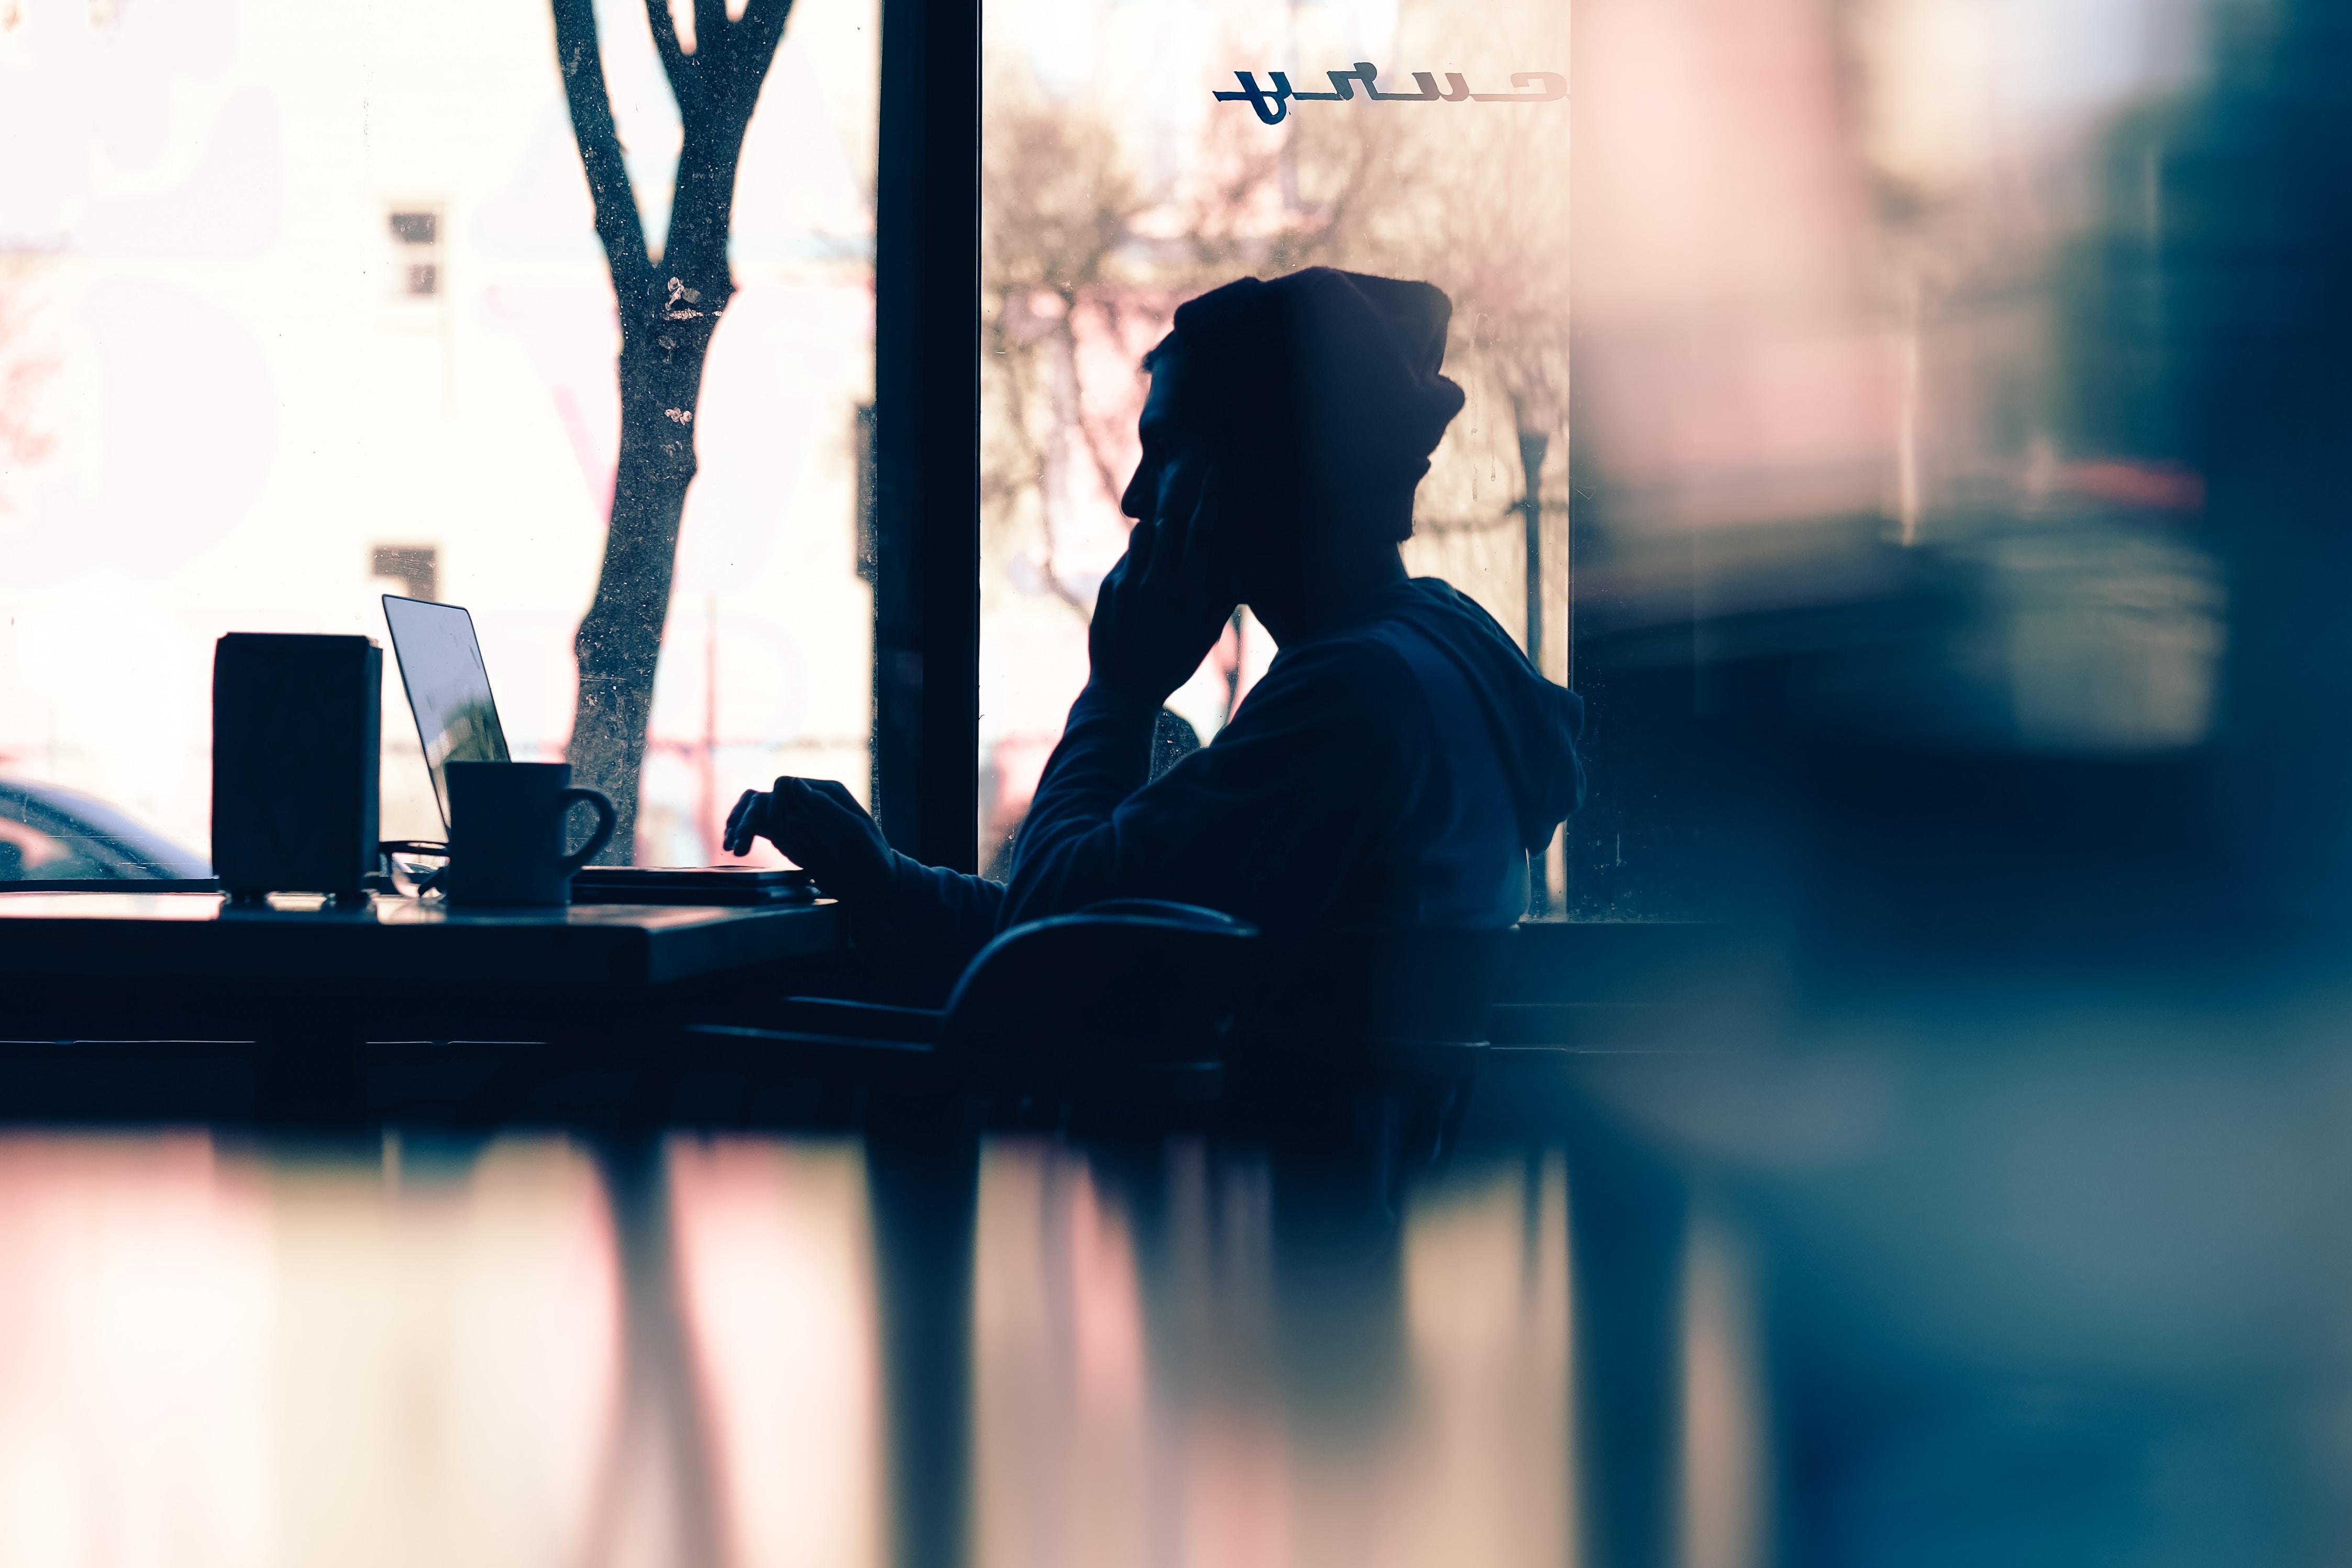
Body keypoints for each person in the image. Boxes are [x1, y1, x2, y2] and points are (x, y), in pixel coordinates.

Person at [725, 267, 1585, 1001]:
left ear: (1268, 467)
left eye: (1166, 448)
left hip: (1228, 1187)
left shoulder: (1349, 700)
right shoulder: (1432, 653)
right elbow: (1106, 911)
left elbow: (1047, 949)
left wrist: (1120, 692)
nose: (1137, 497)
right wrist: (887, 880)